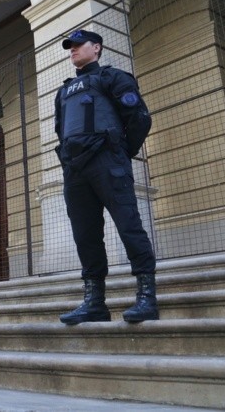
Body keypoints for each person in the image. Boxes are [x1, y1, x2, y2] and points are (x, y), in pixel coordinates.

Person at [54, 29, 158, 325]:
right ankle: (95, 302)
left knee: (129, 227)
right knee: (86, 236)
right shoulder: (64, 91)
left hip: (107, 161)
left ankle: (147, 297)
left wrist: (121, 152)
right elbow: (62, 131)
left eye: (78, 45)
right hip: (75, 170)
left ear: (96, 48)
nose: (72, 50)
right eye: (69, 47)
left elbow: (139, 118)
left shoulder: (113, 77)